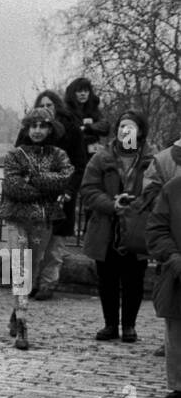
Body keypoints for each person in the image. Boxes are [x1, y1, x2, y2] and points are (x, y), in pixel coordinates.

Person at [0, 109, 73, 351]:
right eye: (33, 126)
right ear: (27, 128)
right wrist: (46, 187)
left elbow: (64, 178)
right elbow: (12, 187)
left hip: (43, 221)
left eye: (43, 126)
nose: (37, 131)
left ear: (50, 129)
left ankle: (17, 310)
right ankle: (22, 324)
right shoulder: (15, 155)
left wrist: (32, 179)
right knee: (21, 267)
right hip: (17, 219)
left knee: (34, 268)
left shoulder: (59, 154)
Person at [82, 111, 151, 343]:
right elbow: (89, 190)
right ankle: (110, 324)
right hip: (107, 226)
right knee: (107, 278)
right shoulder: (102, 158)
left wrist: (135, 204)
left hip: (137, 226)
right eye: (122, 126)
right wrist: (112, 204)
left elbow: (157, 190)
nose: (125, 131)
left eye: (130, 127)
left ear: (140, 131)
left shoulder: (150, 159)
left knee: (134, 279)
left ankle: (129, 325)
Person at [15, 90, 85, 300]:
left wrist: (68, 191)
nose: (46, 108)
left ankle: (47, 282)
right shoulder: (28, 133)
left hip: (61, 196)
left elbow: (78, 165)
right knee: (34, 242)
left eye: (49, 105)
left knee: (54, 245)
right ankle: (33, 281)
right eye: (42, 105)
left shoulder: (71, 132)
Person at [146, 174, 181, 398]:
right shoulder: (173, 189)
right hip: (178, 273)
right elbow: (157, 229)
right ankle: (179, 387)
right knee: (177, 334)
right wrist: (173, 258)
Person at [65, 77, 109, 153]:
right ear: (73, 93)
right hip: (75, 153)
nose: (83, 93)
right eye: (79, 91)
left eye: (86, 91)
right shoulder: (66, 111)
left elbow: (105, 126)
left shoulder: (93, 109)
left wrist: (88, 128)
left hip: (93, 152)